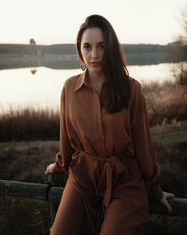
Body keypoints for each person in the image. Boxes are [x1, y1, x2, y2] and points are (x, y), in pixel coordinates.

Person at [45, 14, 175, 235]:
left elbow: (143, 145)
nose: (94, 54)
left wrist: (155, 190)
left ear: (111, 48)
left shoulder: (130, 89)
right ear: (80, 50)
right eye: (87, 47)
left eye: (101, 46)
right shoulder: (69, 88)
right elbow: (66, 136)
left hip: (123, 180)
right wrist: (60, 164)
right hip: (82, 178)